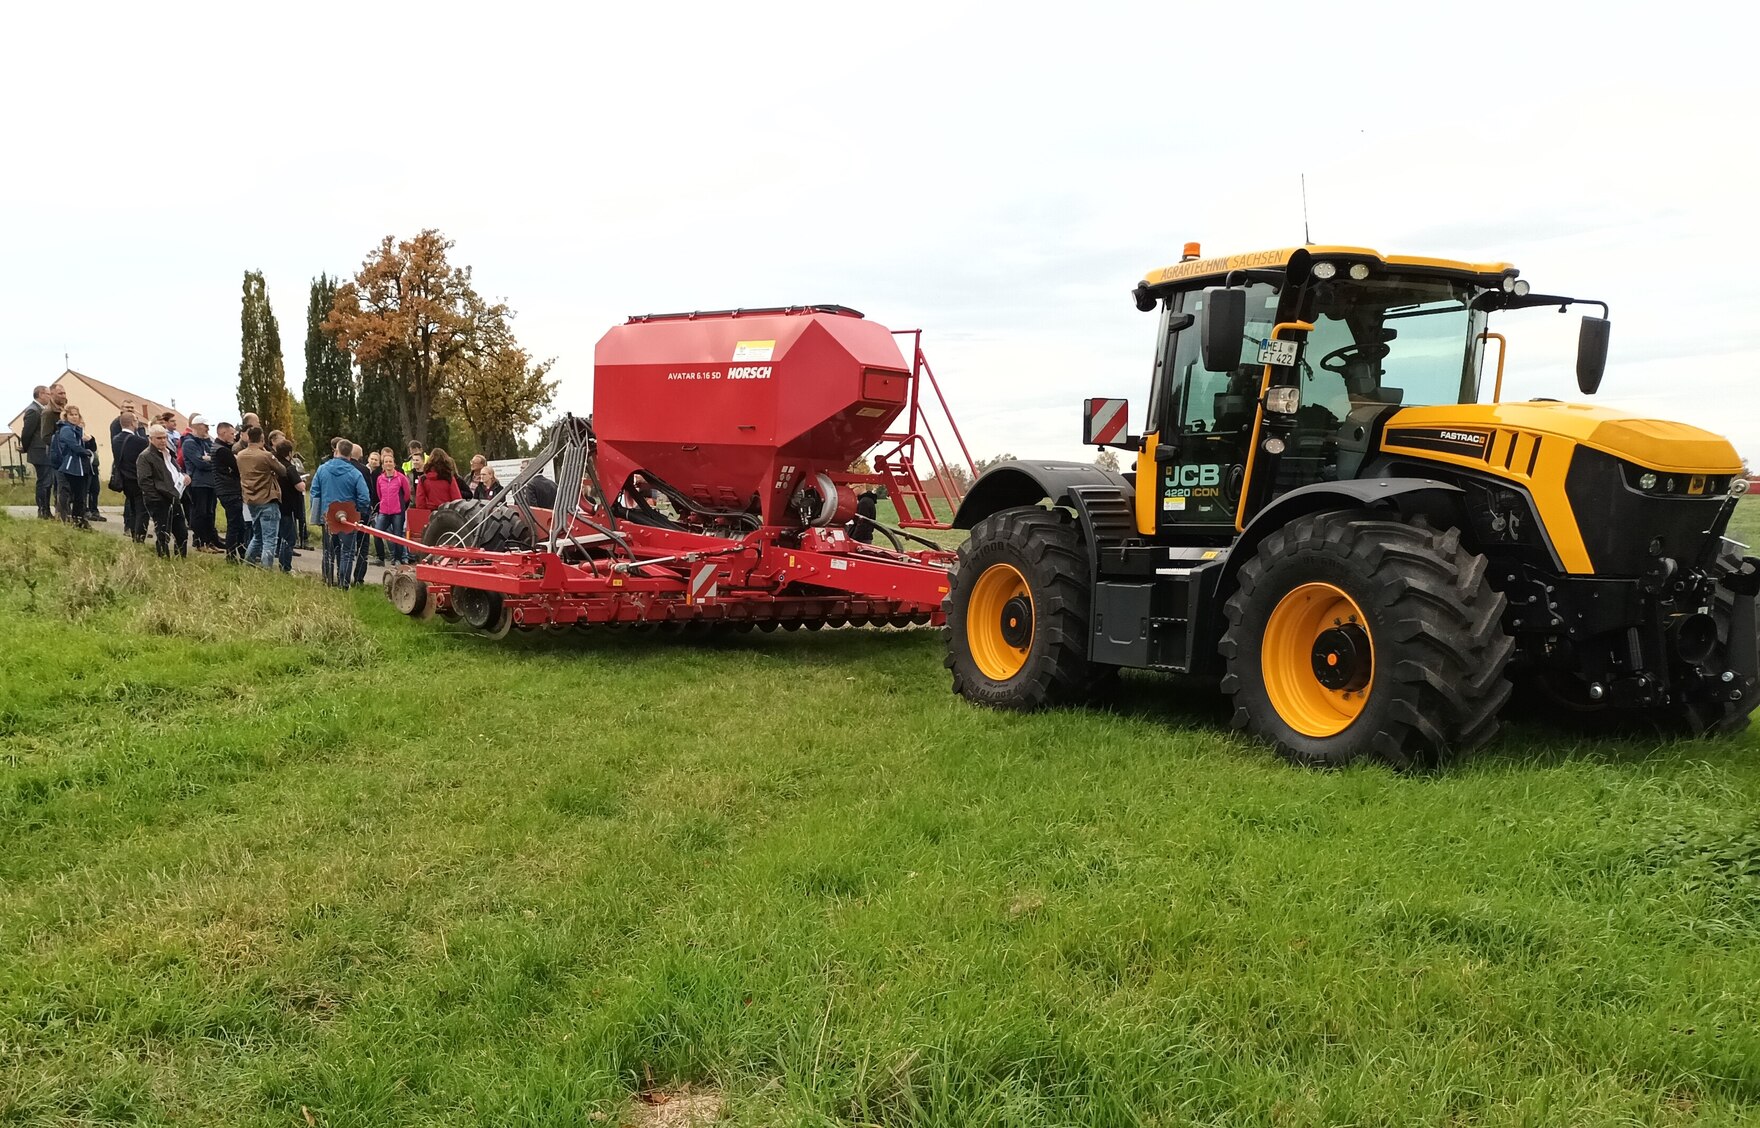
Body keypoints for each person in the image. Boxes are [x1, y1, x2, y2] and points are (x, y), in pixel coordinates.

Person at [309, 438, 371, 590]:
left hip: (327, 516)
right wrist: (359, 511)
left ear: (336, 451)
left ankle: (328, 581)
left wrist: (317, 515)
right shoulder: (355, 473)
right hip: (348, 518)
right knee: (347, 552)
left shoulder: (322, 469)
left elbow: (314, 492)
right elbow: (365, 497)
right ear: (351, 455)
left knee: (328, 551)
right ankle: (344, 584)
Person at [136, 423, 189, 558]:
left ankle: (181, 558)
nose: (163, 441)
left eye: (164, 437)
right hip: (159, 499)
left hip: (174, 496)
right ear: (151, 439)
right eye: (159, 438)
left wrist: (183, 476)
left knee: (182, 532)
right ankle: (163, 558)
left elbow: (176, 470)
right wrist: (157, 499)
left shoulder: (168, 453)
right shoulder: (145, 456)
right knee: (163, 532)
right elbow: (144, 481)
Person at [236, 426, 283, 570]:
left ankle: (248, 564)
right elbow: (282, 470)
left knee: (257, 536)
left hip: (251, 500)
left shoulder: (241, 455)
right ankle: (266, 569)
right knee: (270, 539)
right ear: (262, 439)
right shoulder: (265, 455)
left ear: (248, 438)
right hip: (267, 499)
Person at [179, 415, 221, 551]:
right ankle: (200, 541)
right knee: (200, 513)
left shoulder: (207, 442)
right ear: (197, 426)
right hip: (198, 482)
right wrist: (209, 461)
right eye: (205, 426)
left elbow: (216, 457)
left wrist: (209, 458)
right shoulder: (189, 443)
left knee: (210, 513)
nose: (208, 429)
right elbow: (199, 463)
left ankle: (209, 541)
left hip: (210, 482)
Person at [50, 404, 93, 528]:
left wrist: (89, 441)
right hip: (69, 465)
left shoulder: (77, 429)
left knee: (80, 494)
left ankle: (78, 519)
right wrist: (86, 453)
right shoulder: (66, 429)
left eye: (76, 415)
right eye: (71, 414)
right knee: (65, 493)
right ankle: (65, 518)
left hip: (78, 466)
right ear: (66, 416)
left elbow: (87, 445)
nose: (74, 417)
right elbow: (73, 445)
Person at [211, 422, 247, 561]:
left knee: (238, 523)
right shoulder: (222, 450)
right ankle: (232, 555)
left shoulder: (219, 447)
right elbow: (237, 467)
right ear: (223, 433)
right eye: (231, 434)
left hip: (225, 489)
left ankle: (237, 553)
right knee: (235, 524)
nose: (234, 437)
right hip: (229, 490)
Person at [113, 410, 150, 542]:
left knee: (133, 508)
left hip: (124, 479)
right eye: (136, 420)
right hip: (138, 479)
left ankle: (134, 532)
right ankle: (139, 537)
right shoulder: (139, 441)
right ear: (132, 422)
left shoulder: (116, 439)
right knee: (142, 510)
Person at [373, 448, 414, 565]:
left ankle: (397, 558)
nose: (388, 464)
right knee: (377, 533)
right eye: (386, 462)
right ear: (383, 465)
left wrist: (399, 504)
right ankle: (380, 557)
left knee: (397, 535)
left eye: (390, 461)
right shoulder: (380, 479)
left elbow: (406, 494)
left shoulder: (401, 478)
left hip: (397, 511)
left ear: (394, 464)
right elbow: (379, 494)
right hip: (384, 511)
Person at [272, 439, 305, 573]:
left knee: (278, 536)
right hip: (288, 506)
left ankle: (281, 563)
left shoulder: (274, 465)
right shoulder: (289, 467)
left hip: (275, 503)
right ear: (290, 453)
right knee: (289, 538)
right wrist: (302, 481)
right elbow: (299, 486)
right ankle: (286, 567)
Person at [18, 385, 51, 518]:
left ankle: (46, 509)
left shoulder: (41, 409)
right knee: (44, 481)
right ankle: (43, 510)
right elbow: (27, 433)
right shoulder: (33, 410)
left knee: (48, 481)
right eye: (48, 394)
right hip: (39, 451)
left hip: (44, 451)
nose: (50, 397)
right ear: (41, 394)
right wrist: (25, 448)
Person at [414, 447, 464, 512]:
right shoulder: (449, 478)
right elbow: (457, 499)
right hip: (447, 512)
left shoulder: (423, 479)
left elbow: (420, 501)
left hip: (430, 513)